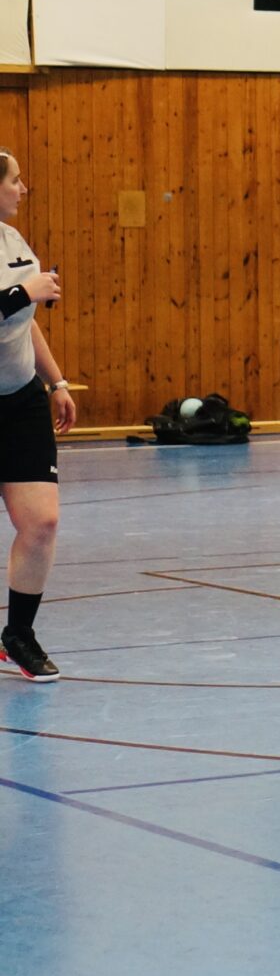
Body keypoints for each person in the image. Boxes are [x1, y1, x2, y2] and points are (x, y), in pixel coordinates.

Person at [0, 150, 73, 682]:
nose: (23, 189)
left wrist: (56, 381)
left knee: (42, 521)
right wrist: (24, 291)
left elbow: (24, 321)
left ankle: (18, 635)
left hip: (20, 400)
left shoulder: (14, 241)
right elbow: (19, 299)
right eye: (16, 180)